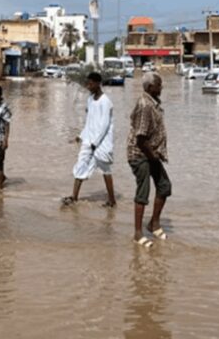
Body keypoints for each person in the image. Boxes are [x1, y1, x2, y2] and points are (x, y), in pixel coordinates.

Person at [128, 72, 172, 248]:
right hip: (140, 154)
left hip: (151, 152)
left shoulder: (154, 103)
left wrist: (156, 153)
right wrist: (152, 155)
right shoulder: (145, 105)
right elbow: (140, 138)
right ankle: (138, 234)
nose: (162, 88)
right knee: (143, 192)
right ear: (149, 88)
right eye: (159, 85)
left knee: (164, 186)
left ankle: (153, 223)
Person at [61, 72, 116, 207]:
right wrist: (80, 136)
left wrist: (96, 143)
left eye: (91, 83)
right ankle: (74, 197)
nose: (88, 86)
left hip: (101, 143)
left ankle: (112, 201)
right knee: (80, 164)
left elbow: (104, 125)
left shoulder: (106, 102)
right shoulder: (90, 100)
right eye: (88, 83)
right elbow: (89, 121)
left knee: (105, 170)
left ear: (98, 83)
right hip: (88, 140)